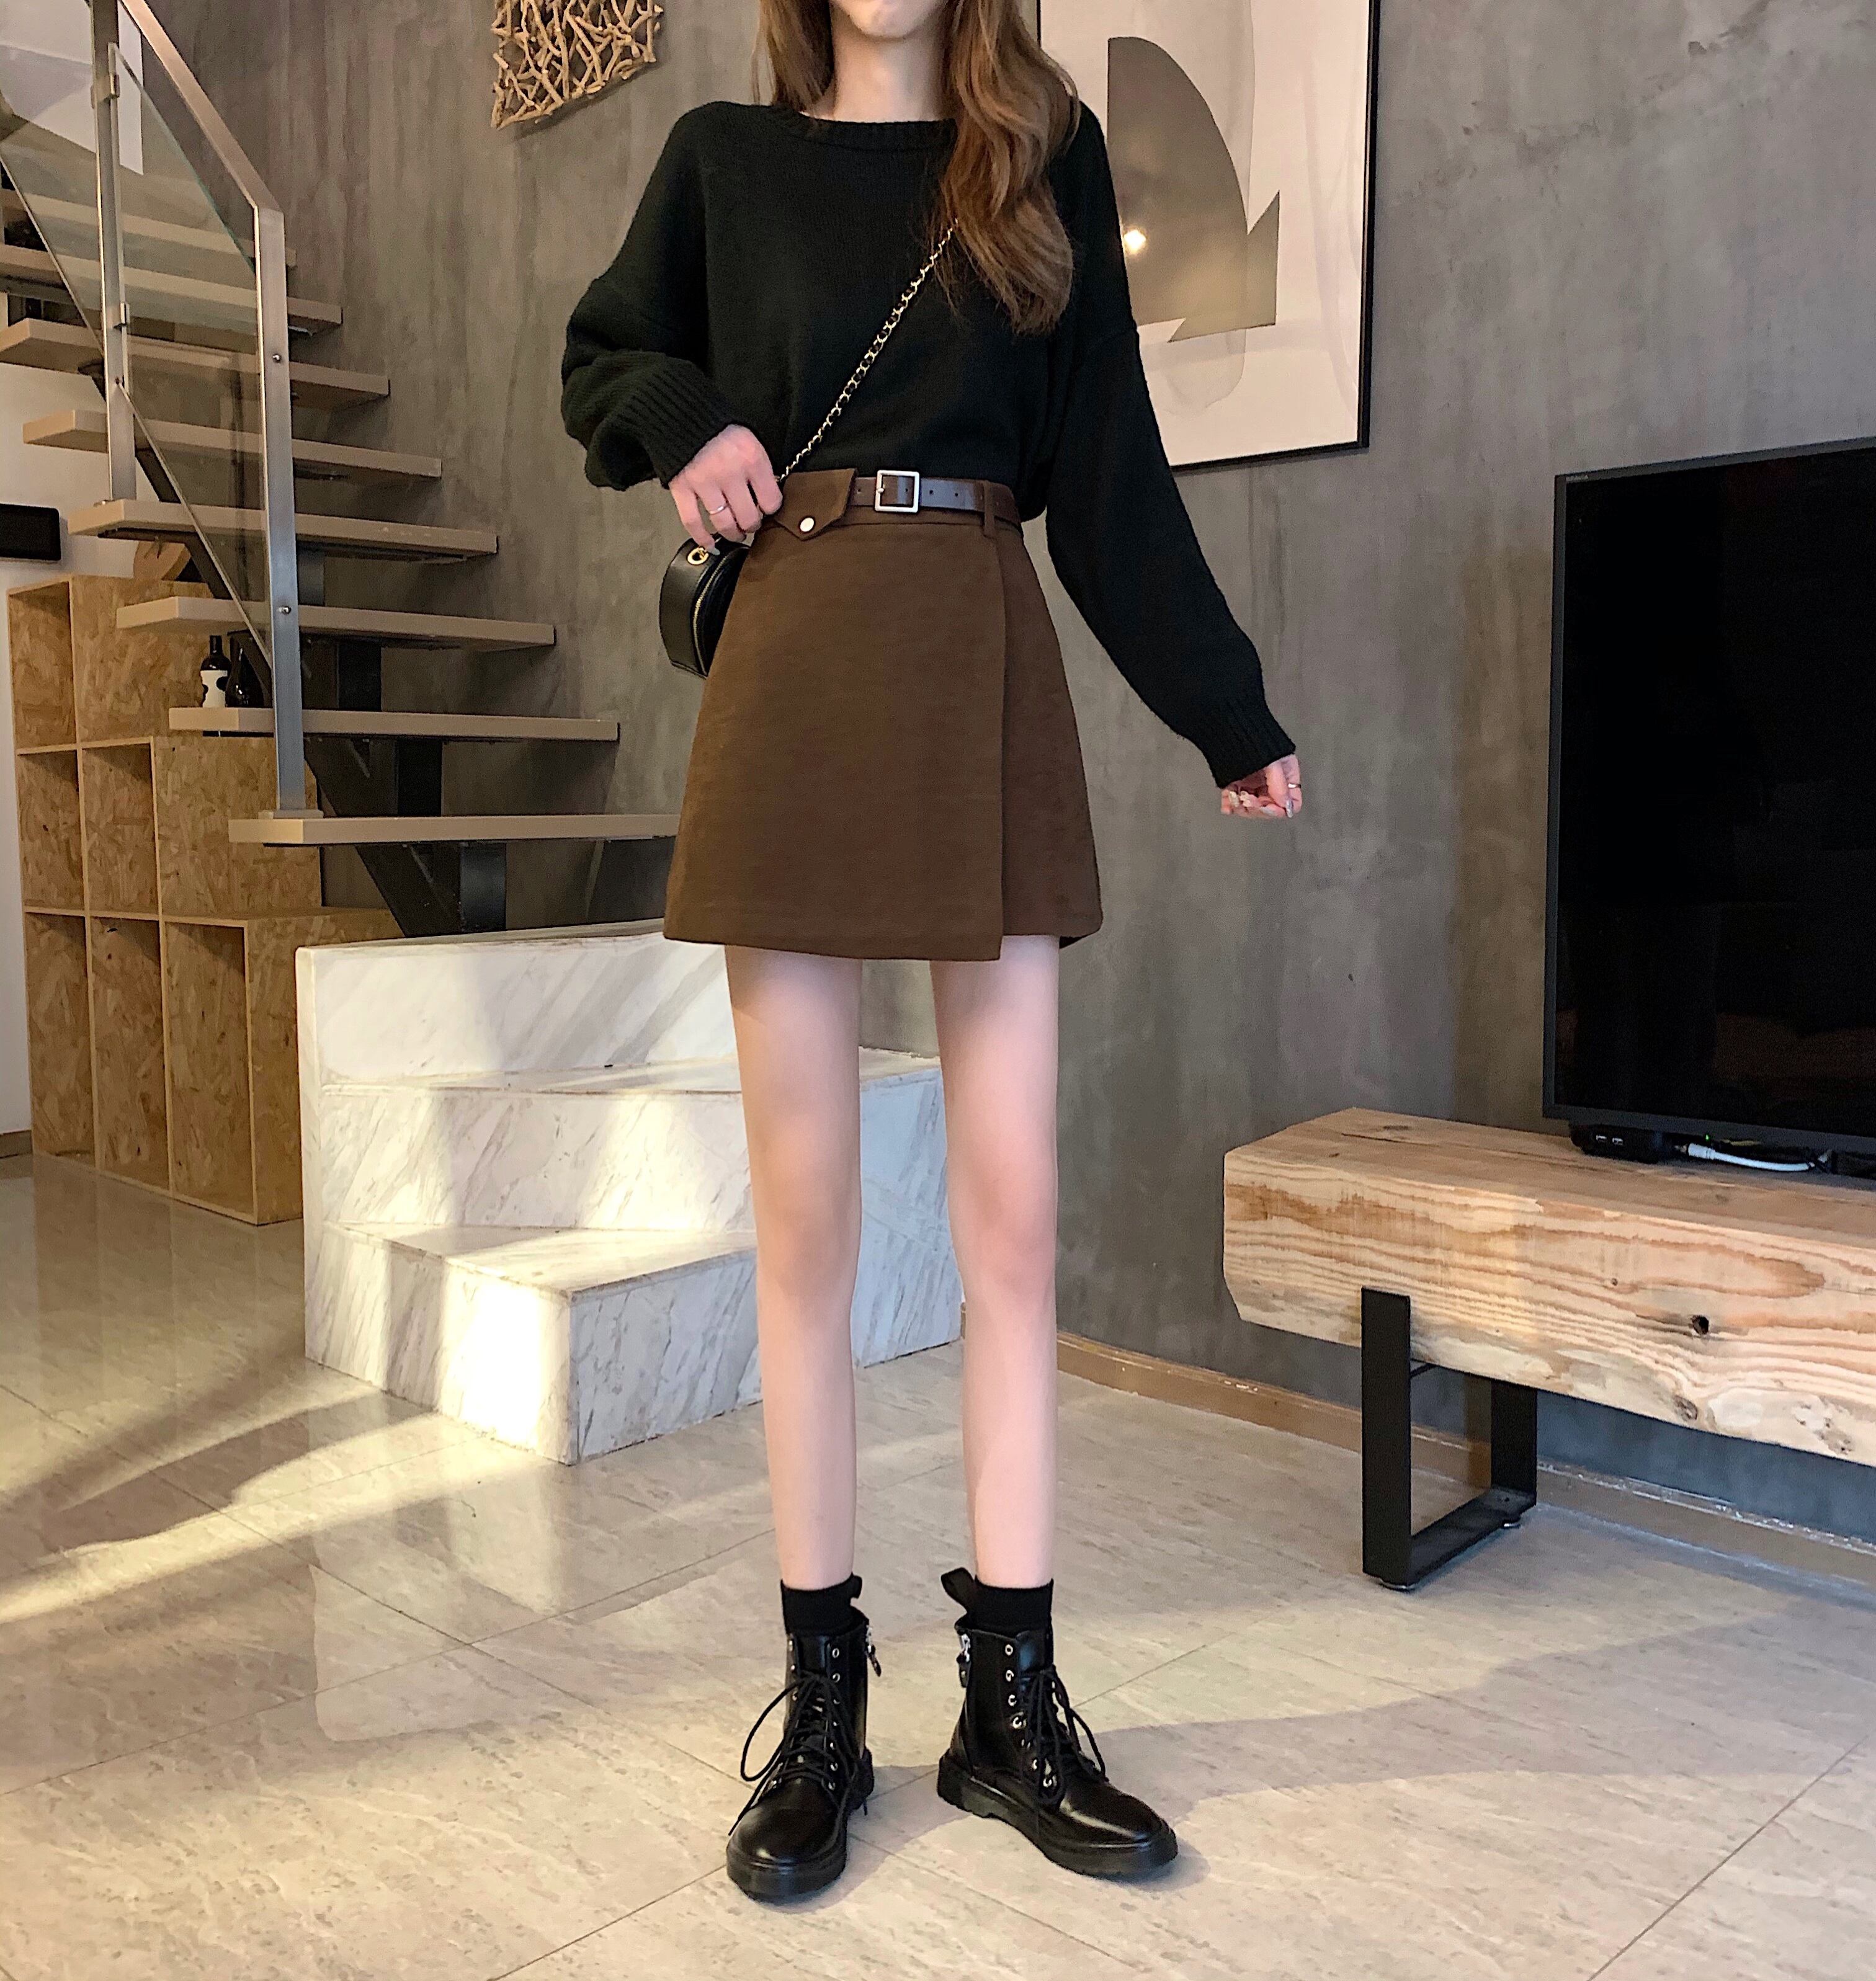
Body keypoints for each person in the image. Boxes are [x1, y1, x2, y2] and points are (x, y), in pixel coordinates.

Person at [561, 0, 1302, 1903]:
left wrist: (1225, 707)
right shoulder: (724, 163)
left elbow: (1111, 474)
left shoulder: (1039, 155)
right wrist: (688, 426)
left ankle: (1010, 1702)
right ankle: (825, 1704)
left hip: (981, 646)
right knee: (806, 1229)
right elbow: (603, 355)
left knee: (1014, 1221)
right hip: (795, 661)